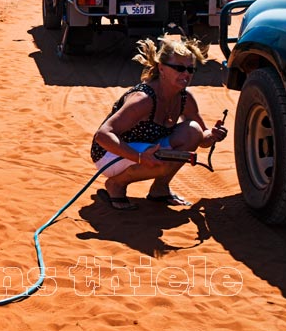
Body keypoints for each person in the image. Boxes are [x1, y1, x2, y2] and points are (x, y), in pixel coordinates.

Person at [90, 36, 228, 210]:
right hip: (109, 153)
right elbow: (102, 136)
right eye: (179, 68)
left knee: (193, 130)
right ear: (161, 68)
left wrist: (213, 135)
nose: (185, 73)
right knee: (161, 161)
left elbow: (202, 139)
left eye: (190, 69)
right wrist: (139, 157)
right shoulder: (143, 99)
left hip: (149, 148)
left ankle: (160, 189)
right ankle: (116, 184)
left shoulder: (185, 98)